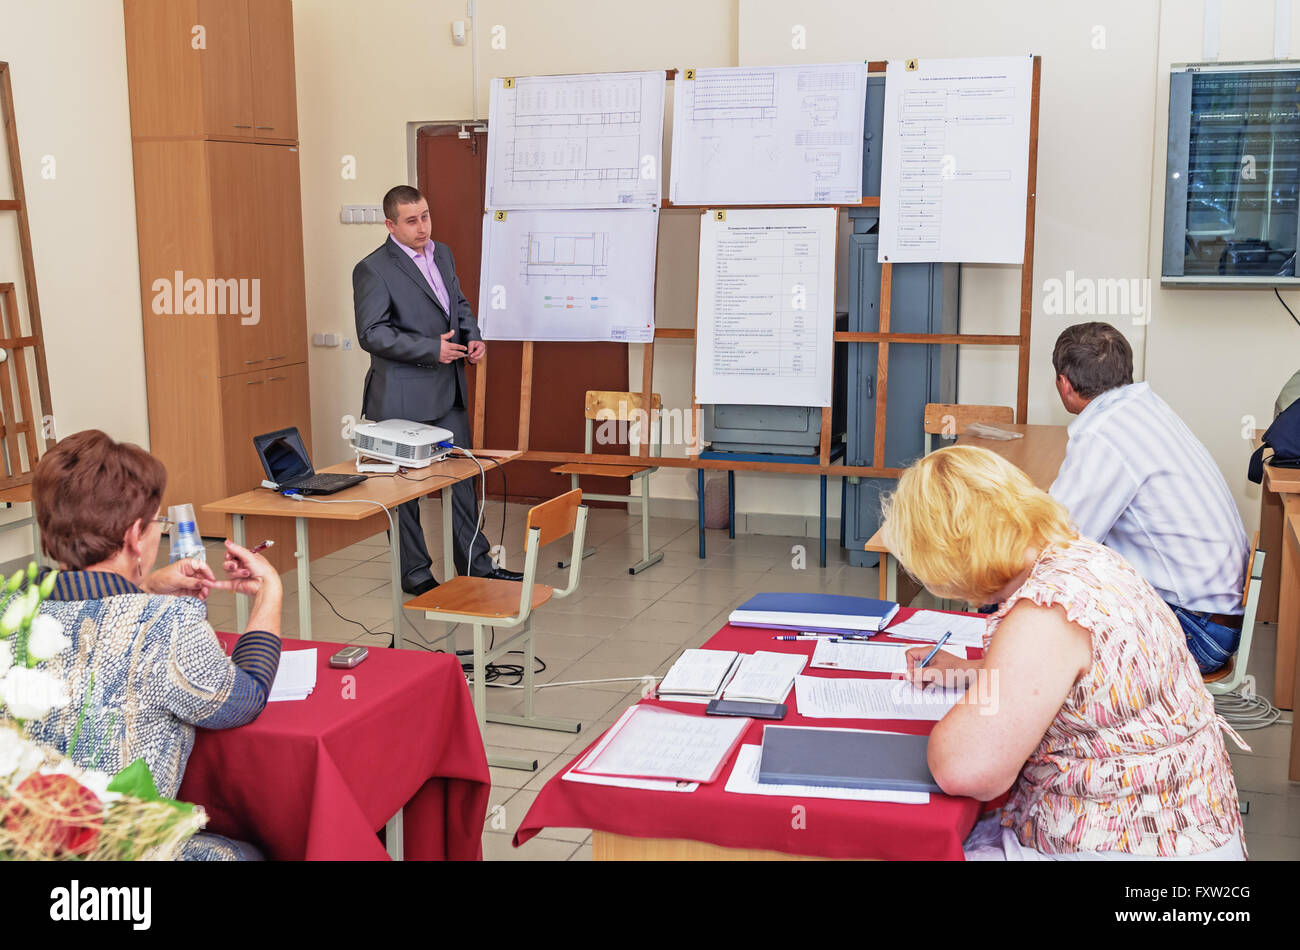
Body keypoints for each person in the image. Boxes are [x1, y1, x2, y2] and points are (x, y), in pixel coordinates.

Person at [883, 445, 1246, 860]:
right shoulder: (1081, 557)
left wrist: (950, 727)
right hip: (1182, 823)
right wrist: (975, 670)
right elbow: (1083, 677)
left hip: (1121, 843)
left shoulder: (1044, 611)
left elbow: (964, 769)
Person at [26, 429, 283, 861]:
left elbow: (87, 624)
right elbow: (243, 699)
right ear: (133, 536)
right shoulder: (166, 623)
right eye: (156, 526)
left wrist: (144, 586)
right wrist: (270, 592)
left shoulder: (14, 604)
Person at [1048, 321, 1249, 674]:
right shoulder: (1147, 408)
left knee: (1035, 604)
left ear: (1064, 384)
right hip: (1216, 617)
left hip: (1196, 632)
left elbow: (1058, 541)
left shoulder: (1102, 432)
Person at [353, 184, 520, 595]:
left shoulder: (441, 252)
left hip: (448, 391)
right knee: (403, 492)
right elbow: (371, 333)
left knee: (462, 478)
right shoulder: (373, 269)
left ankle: (475, 564)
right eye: (411, 221)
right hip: (401, 397)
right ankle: (415, 575)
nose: (422, 227)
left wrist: (473, 336)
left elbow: (457, 303)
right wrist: (432, 349)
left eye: (425, 216)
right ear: (390, 224)